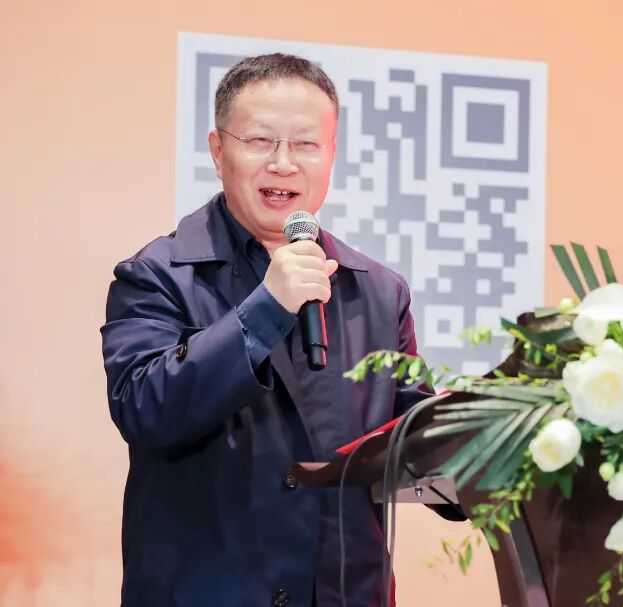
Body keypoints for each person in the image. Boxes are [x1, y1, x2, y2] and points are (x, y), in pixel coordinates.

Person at [101, 53, 431, 607]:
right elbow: (145, 410)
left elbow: (415, 441)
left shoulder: (379, 291)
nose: (283, 164)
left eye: (306, 144)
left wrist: (500, 432)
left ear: (331, 155)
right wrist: (266, 308)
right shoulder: (157, 274)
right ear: (218, 150)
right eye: (259, 141)